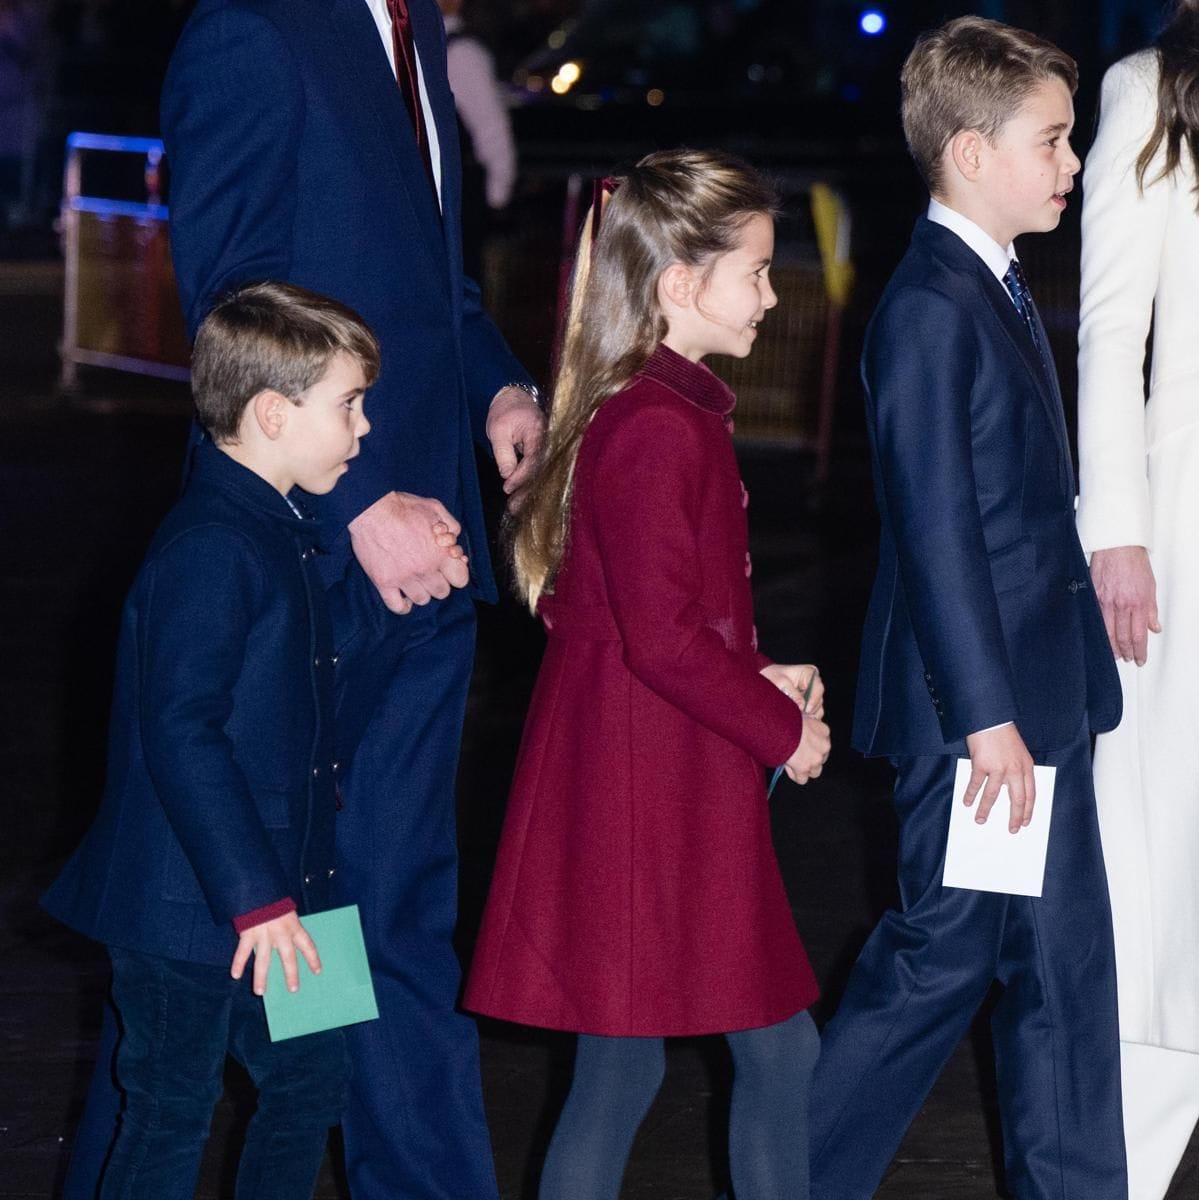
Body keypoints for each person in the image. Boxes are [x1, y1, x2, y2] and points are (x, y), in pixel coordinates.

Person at [89, 4, 544, 1199]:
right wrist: (358, 505)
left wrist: (496, 389)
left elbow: (424, 279)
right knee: (236, 931)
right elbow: (234, 309)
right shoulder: (252, 28)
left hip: (426, 553)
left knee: (375, 917)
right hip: (311, 557)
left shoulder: (414, 30)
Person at [464, 149, 832, 1200]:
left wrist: (760, 665)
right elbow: (663, 637)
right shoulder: (656, 426)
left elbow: (658, 612)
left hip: (651, 772)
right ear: (680, 286)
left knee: (631, 1065)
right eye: (757, 271)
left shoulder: (654, 410)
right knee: (720, 1056)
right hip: (653, 785)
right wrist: (778, 724)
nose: (772, 292)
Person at [808, 18, 1126, 1200]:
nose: (1071, 162)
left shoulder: (983, 281)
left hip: (1035, 699)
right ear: (972, 152)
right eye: (1052, 139)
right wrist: (990, 717)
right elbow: (936, 528)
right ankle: (790, 1169)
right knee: (940, 961)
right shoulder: (932, 305)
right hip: (984, 718)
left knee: (1059, 969)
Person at [42, 282, 377, 1199]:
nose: (364, 429)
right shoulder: (212, 545)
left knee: (316, 1085)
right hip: (192, 902)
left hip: (294, 890)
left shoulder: (281, 526)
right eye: (348, 405)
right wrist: (256, 901)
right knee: (169, 1106)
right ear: (273, 414)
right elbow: (182, 731)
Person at [1077, 3, 1199, 1194]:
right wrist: (1115, 529)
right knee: (1162, 867)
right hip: (1184, 535)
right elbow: (1112, 328)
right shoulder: (1152, 87)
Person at [437, 0, 517, 279]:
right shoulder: (421, 46)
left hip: (462, 199)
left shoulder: (461, 53)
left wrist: (495, 199)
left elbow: (492, 130)